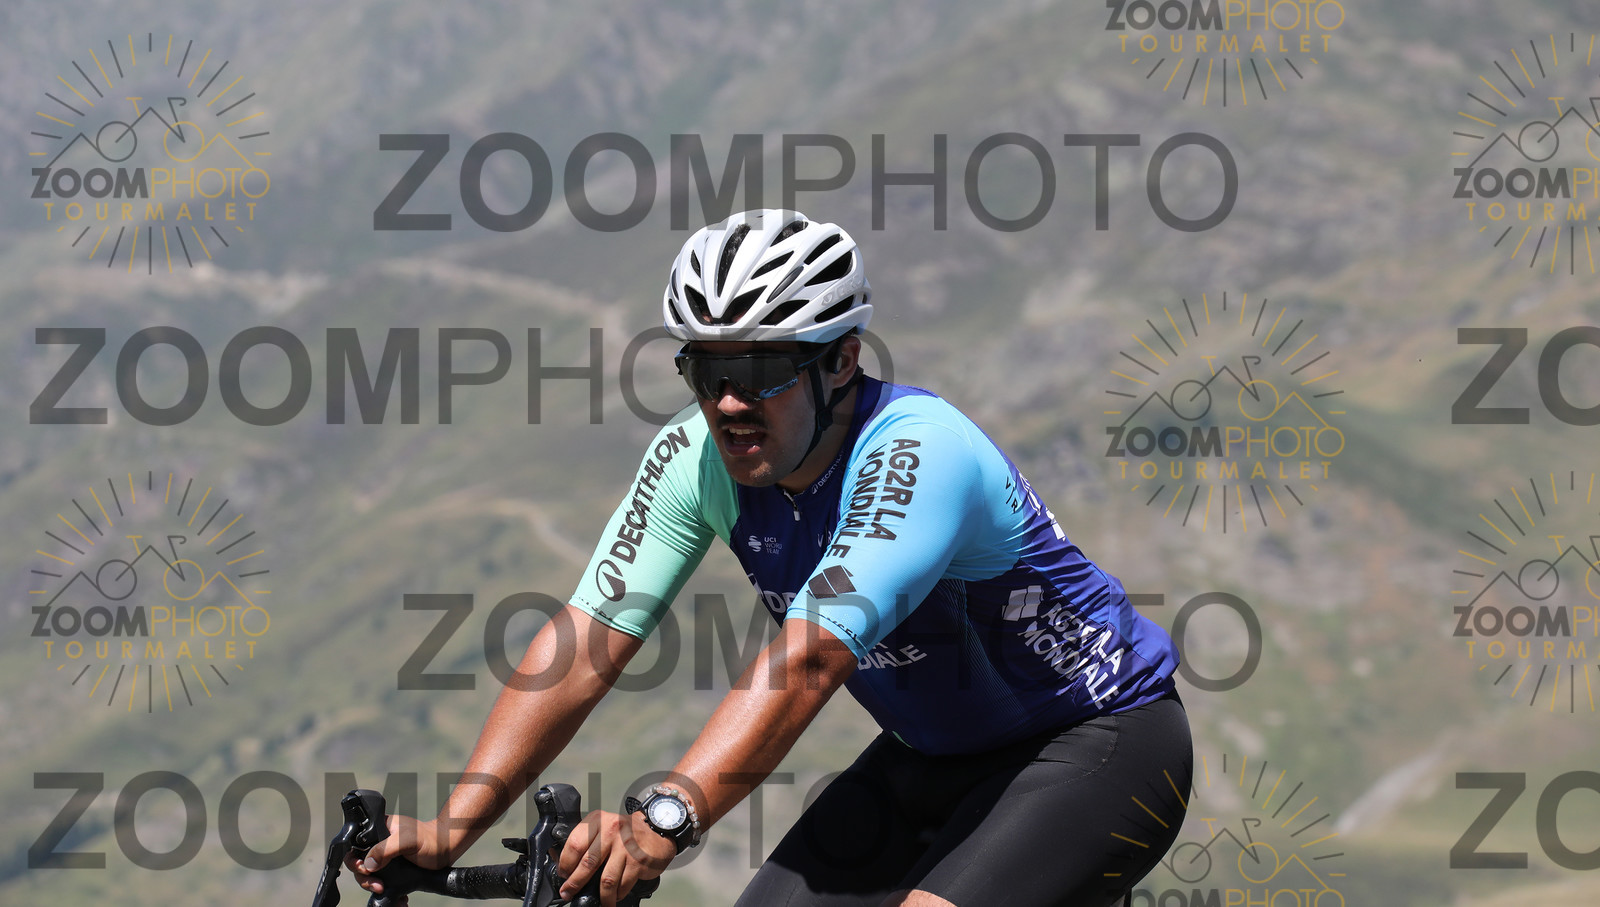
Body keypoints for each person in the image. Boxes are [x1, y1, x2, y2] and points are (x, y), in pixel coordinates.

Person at [354, 210, 1193, 907]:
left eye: (760, 370)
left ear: (841, 360)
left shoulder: (919, 451)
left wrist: (664, 818)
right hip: (927, 757)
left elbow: (810, 657)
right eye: (705, 371)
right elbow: (586, 643)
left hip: (1096, 742)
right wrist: (453, 826)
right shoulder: (694, 460)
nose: (728, 403)